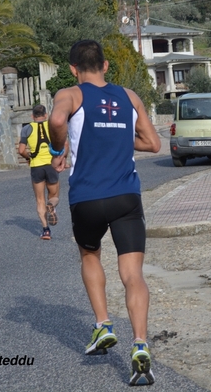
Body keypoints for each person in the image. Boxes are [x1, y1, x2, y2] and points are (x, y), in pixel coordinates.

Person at [48, 39, 161, 387]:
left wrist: (58, 146)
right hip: (126, 196)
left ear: (73, 69)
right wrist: (117, 138)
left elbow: (55, 119)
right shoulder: (129, 96)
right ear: (106, 65)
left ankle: (103, 325)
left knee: (89, 253)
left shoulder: (70, 94)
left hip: (88, 198)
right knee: (133, 274)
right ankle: (140, 344)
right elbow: (154, 144)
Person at [18, 104, 62, 240]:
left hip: (36, 166)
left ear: (32, 116)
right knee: (54, 196)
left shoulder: (26, 129)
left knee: (39, 199)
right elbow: (62, 144)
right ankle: (52, 206)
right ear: (46, 115)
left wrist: (29, 157)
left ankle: (46, 231)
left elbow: (21, 150)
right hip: (51, 164)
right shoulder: (51, 126)